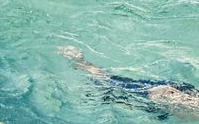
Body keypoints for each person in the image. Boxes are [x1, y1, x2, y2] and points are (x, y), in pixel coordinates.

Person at [61, 46, 199, 119]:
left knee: (109, 85)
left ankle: (81, 64)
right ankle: (80, 62)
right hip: (160, 97)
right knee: (107, 84)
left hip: (166, 97)